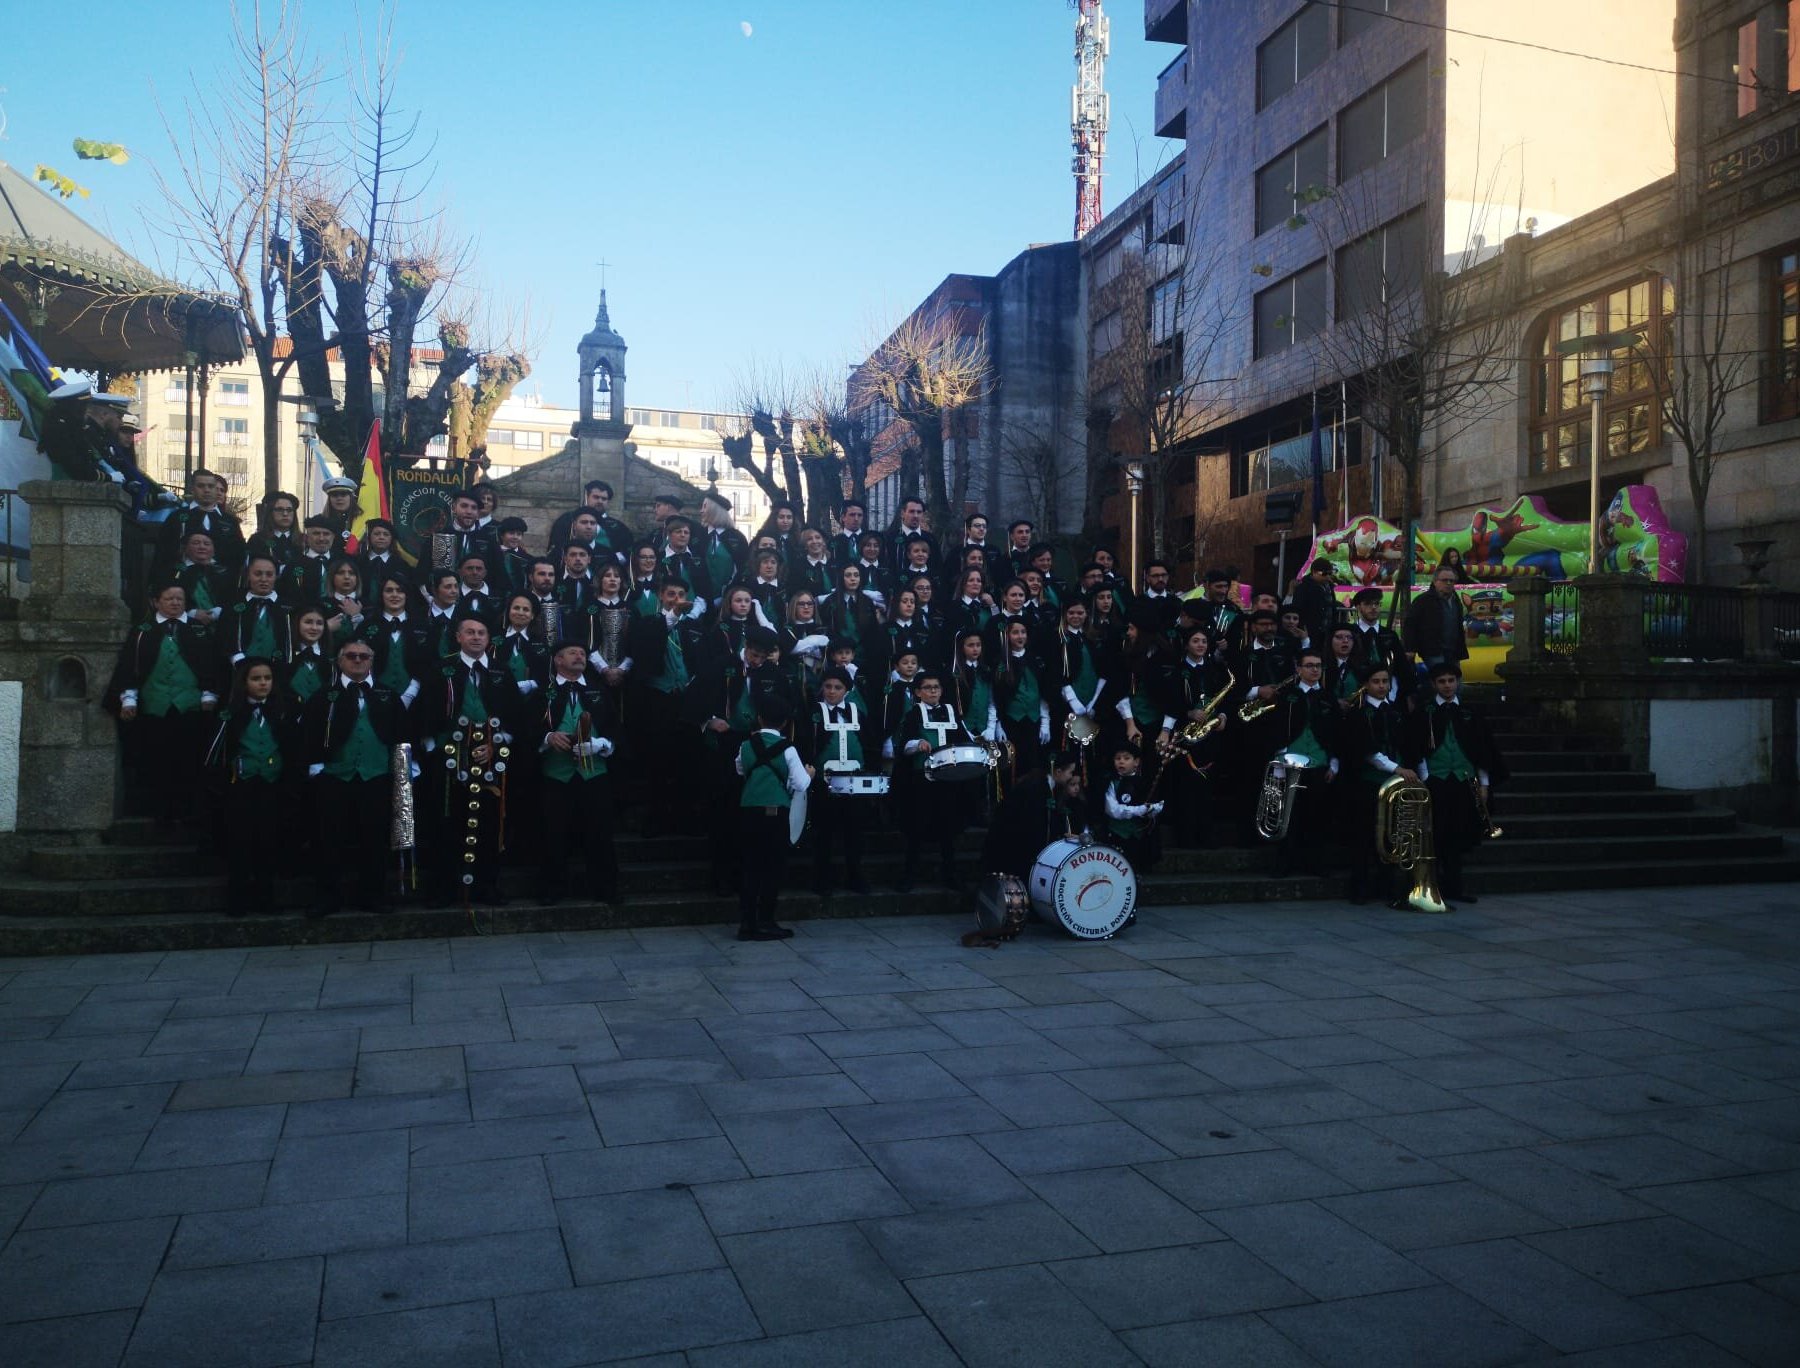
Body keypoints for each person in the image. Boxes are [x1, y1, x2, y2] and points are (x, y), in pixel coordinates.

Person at [415, 617, 523, 907]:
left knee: (490, 825)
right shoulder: (442, 670)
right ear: (458, 637)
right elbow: (426, 713)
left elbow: (515, 716)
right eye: (470, 632)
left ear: (489, 638)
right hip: (449, 760)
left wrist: (495, 744)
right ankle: (444, 889)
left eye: (482, 632)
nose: (476, 637)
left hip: (491, 759)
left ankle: (487, 886)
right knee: (446, 823)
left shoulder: (501, 671)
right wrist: (440, 750)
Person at [301, 637, 405, 918]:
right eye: (351, 656)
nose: (357, 660)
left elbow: (401, 733)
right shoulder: (325, 696)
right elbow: (309, 731)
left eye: (363, 656)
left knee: (375, 839)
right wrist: (315, 764)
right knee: (329, 839)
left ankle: (373, 895)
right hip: (336, 776)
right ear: (340, 661)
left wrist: (403, 770)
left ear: (372, 660)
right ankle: (327, 897)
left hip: (377, 775)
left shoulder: (387, 694)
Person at [106, 583, 220, 823]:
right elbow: (130, 665)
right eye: (169, 598)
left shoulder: (197, 629)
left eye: (180, 598)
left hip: (189, 704)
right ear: (156, 602)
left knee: (188, 759)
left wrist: (209, 693)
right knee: (157, 760)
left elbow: (210, 663)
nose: (176, 603)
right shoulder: (142, 631)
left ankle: (186, 810)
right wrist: (129, 698)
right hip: (155, 704)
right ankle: (159, 811)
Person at [1404, 662, 1508, 906]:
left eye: (1451, 680)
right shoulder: (1424, 712)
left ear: (1458, 682)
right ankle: (1432, 885)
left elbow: (1483, 751)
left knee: (1459, 833)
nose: (1447, 686)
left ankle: (1455, 886)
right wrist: (1424, 777)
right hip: (1436, 781)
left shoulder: (1471, 713)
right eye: (1442, 681)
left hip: (1464, 781)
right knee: (1435, 832)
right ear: (1433, 685)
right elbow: (1415, 748)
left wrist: (1484, 784)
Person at [206, 656, 294, 915]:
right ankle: (238, 899)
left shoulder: (281, 710)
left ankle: (266, 897)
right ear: (244, 682)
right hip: (240, 786)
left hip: (271, 784)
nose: (263, 683)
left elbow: (291, 746)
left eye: (267, 678)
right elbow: (217, 752)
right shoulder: (230, 713)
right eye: (256, 679)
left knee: (268, 841)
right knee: (240, 842)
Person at [535, 639, 619, 905]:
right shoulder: (543, 692)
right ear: (558, 659)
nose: (579, 656)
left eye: (583, 653)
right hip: (556, 774)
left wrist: (601, 744)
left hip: (594, 774)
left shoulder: (598, 691)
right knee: (553, 833)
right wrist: (548, 737)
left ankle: (605, 887)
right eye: (572, 652)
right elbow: (527, 728)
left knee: (600, 832)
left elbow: (615, 729)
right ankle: (552, 888)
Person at [1256, 648, 1341, 876]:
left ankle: (1315, 863)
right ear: (1298, 669)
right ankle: (1285, 863)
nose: (1315, 670)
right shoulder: (1287, 696)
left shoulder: (1327, 697)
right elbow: (1275, 728)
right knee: (1288, 814)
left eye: (1318, 666)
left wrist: (1334, 762)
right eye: (1310, 665)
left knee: (1317, 815)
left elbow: (1335, 732)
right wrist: (1279, 760)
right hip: (1290, 761)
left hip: (1319, 761)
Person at [734, 695, 812, 941]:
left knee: (750, 867)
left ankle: (747, 922)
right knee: (772, 868)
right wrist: (810, 772)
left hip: (748, 811)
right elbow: (800, 782)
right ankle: (766, 921)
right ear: (785, 723)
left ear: (759, 719)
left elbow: (739, 768)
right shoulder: (787, 748)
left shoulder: (746, 745)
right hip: (775, 812)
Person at [891, 671, 971, 891]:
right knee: (916, 828)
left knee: (948, 828)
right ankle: (909, 874)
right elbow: (903, 745)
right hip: (922, 780)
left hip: (950, 780)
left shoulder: (950, 711)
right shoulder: (914, 713)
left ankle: (950, 872)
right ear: (918, 692)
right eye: (927, 687)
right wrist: (918, 743)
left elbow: (964, 738)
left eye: (936, 687)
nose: (933, 691)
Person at [1343, 665, 1412, 906]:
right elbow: (1366, 751)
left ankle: (1389, 886)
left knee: (1393, 835)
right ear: (1366, 685)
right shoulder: (1358, 714)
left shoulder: (1395, 712)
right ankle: (1360, 887)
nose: (1381, 686)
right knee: (1364, 835)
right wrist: (1397, 768)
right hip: (1367, 782)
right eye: (1376, 681)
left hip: (1395, 783)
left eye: (1385, 681)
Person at [800, 666, 871, 897]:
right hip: (824, 781)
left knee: (855, 833)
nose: (832, 692)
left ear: (846, 690)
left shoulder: (856, 711)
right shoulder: (814, 712)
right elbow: (807, 743)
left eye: (837, 687)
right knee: (824, 833)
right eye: (828, 687)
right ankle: (822, 879)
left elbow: (867, 742)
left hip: (854, 782)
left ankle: (855, 876)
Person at [980, 750, 1088, 880]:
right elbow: (1032, 825)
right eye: (1070, 772)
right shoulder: (1036, 788)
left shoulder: (1043, 785)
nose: (1071, 776)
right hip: (1009, 849)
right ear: (1058, 772)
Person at [219, 554, 293, 669]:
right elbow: (223, 638)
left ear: (276, 576)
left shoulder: (288, 608)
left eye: (269, 574)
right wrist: (238, 662)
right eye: (258, 574)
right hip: (239, 671)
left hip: (278, 672)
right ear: (248, 575)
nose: (263, 579)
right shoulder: (233, 606)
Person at [1102, 741, 1163, 873]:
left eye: (1126, 758)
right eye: (1117, 758)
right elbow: (1112, 810)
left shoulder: (1144, 782)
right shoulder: (1111, 783)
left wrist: (1153, 810)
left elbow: (1152, 806)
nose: (1121, 762)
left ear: (1136, 762)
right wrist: (1139, 810)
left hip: (1138, 835)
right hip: (1117, 834)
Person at [1347, 587, 1410, 704]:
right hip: (1357, 690)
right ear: (1358, 606)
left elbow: (1402, 665)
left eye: (1376, 603)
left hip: (1388, 691)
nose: (1373, 608)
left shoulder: (1389, 635)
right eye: (1368, 604)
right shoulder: (1350, 633)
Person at [1403, 565, 1469, 671]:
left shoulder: (1456, 600)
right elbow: (1410, 625)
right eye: (1444, 580)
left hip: (1453, 650)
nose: (1448, 583)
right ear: (1435, 581)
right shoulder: (1423, 601)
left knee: (1455, 680)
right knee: (1439, 677)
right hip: (1433, 650)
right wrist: (1410, 649)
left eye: (1451, 581)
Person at [1289, 558, 1340, 648]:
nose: (1327, 577)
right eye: (1324, 574)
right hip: (1311, 630)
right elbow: (1298, 609)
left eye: (1330, 574)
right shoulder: (1304, 588)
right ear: (1314, 572)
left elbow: (1331, 607)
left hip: (1328, 631)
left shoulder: (1329, 587)